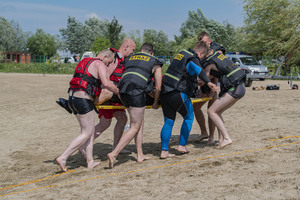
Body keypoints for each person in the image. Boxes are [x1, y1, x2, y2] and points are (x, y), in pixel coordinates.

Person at [56, 49, 120, 172]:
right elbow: (106, 83)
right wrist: (118, 91)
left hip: (73, 98)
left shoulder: (84, 61)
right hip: (84, 100)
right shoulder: (99, 63)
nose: (108, 65)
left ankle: (90, 161)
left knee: (89, 132)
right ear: (105, 56)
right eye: (109, 61)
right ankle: (64, 157)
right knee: (86, 133)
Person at [107, 43, 163, 168]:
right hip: (136, 92)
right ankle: (114, 153)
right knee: (134, 126)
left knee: (139, 122)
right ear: (152, 53)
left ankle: (140, 154)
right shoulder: (155, 61)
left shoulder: (130, 58)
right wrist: (155, 102)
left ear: (141, 50)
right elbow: (158, 86)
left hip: (123, 91)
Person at [159, 42, 217, 159]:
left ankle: (164, 151)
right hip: (178, 91)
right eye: (203, 57)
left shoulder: (181, 55)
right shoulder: (192, 57)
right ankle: (181, 145)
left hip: (165, 92)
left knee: (169, 121)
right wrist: (208, 82)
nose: (202, 59)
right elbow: (198, 69)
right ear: (200, 52)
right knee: (189, 117)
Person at [80, 39, 136, 158]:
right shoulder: (114, 59)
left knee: (121, 120)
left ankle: (117, 147)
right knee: (105, 123)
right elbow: (106, 78)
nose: (133, 52)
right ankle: (83, 144)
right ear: (126, 47)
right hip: (109, 94)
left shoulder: (123, 60)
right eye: (133, 49)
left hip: (114, 95)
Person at [197, 41, 246, 148]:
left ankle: (227, 138)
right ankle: (221, 139)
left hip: (234, 88)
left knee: (211, 111)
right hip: (241, 86)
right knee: (217, 112)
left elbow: (203, 80)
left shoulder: (208, 63)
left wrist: (191, 79)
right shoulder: (219, 56)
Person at [193, 31, 225, 144]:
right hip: (205, 82)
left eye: (205, 42)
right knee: (195, 107)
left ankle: (211, 137)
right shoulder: (200, 51)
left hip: (215, 84)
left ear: (209, 41)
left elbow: (218, 70)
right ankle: (204, 132)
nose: (203, 45)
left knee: (211, 110)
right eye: (201, 42)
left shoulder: (217, 50)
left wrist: (209, 83)